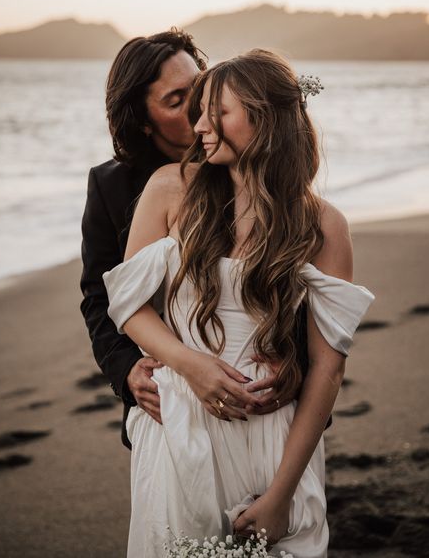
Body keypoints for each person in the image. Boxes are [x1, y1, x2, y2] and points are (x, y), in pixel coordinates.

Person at [103, 49, 375, 556]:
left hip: (272, 425)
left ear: (265, 118)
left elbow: (326, 370)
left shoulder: (324, 225)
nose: (200, 125)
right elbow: (127, 307)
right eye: (198, 110)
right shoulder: (168, 190)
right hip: (179, 418)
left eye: (216, 111)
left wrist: (281, 494)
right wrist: (190, 366)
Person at [80, 30, 291, 450]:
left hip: (266, 392)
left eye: (201, 86)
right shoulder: (113, 186)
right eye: (177, 101)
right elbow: (99, 294)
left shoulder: (258, 166)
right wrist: (126, 370)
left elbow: (296, 277)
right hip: (169, 392)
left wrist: (295, 362)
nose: (201, 108)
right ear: (142, 121)